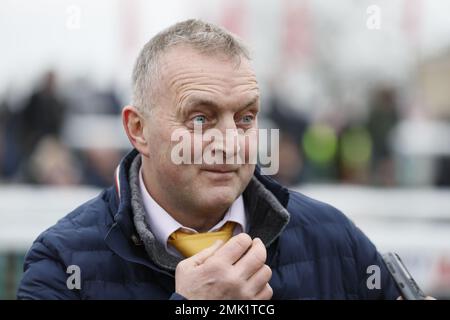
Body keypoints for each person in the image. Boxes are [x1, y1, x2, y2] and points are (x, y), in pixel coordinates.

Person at [17, 19, 401, 300]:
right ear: (138, 130)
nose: (230, 142)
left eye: (246, 118)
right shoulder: (62, 260)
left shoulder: (334, 239)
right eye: (200, 118)